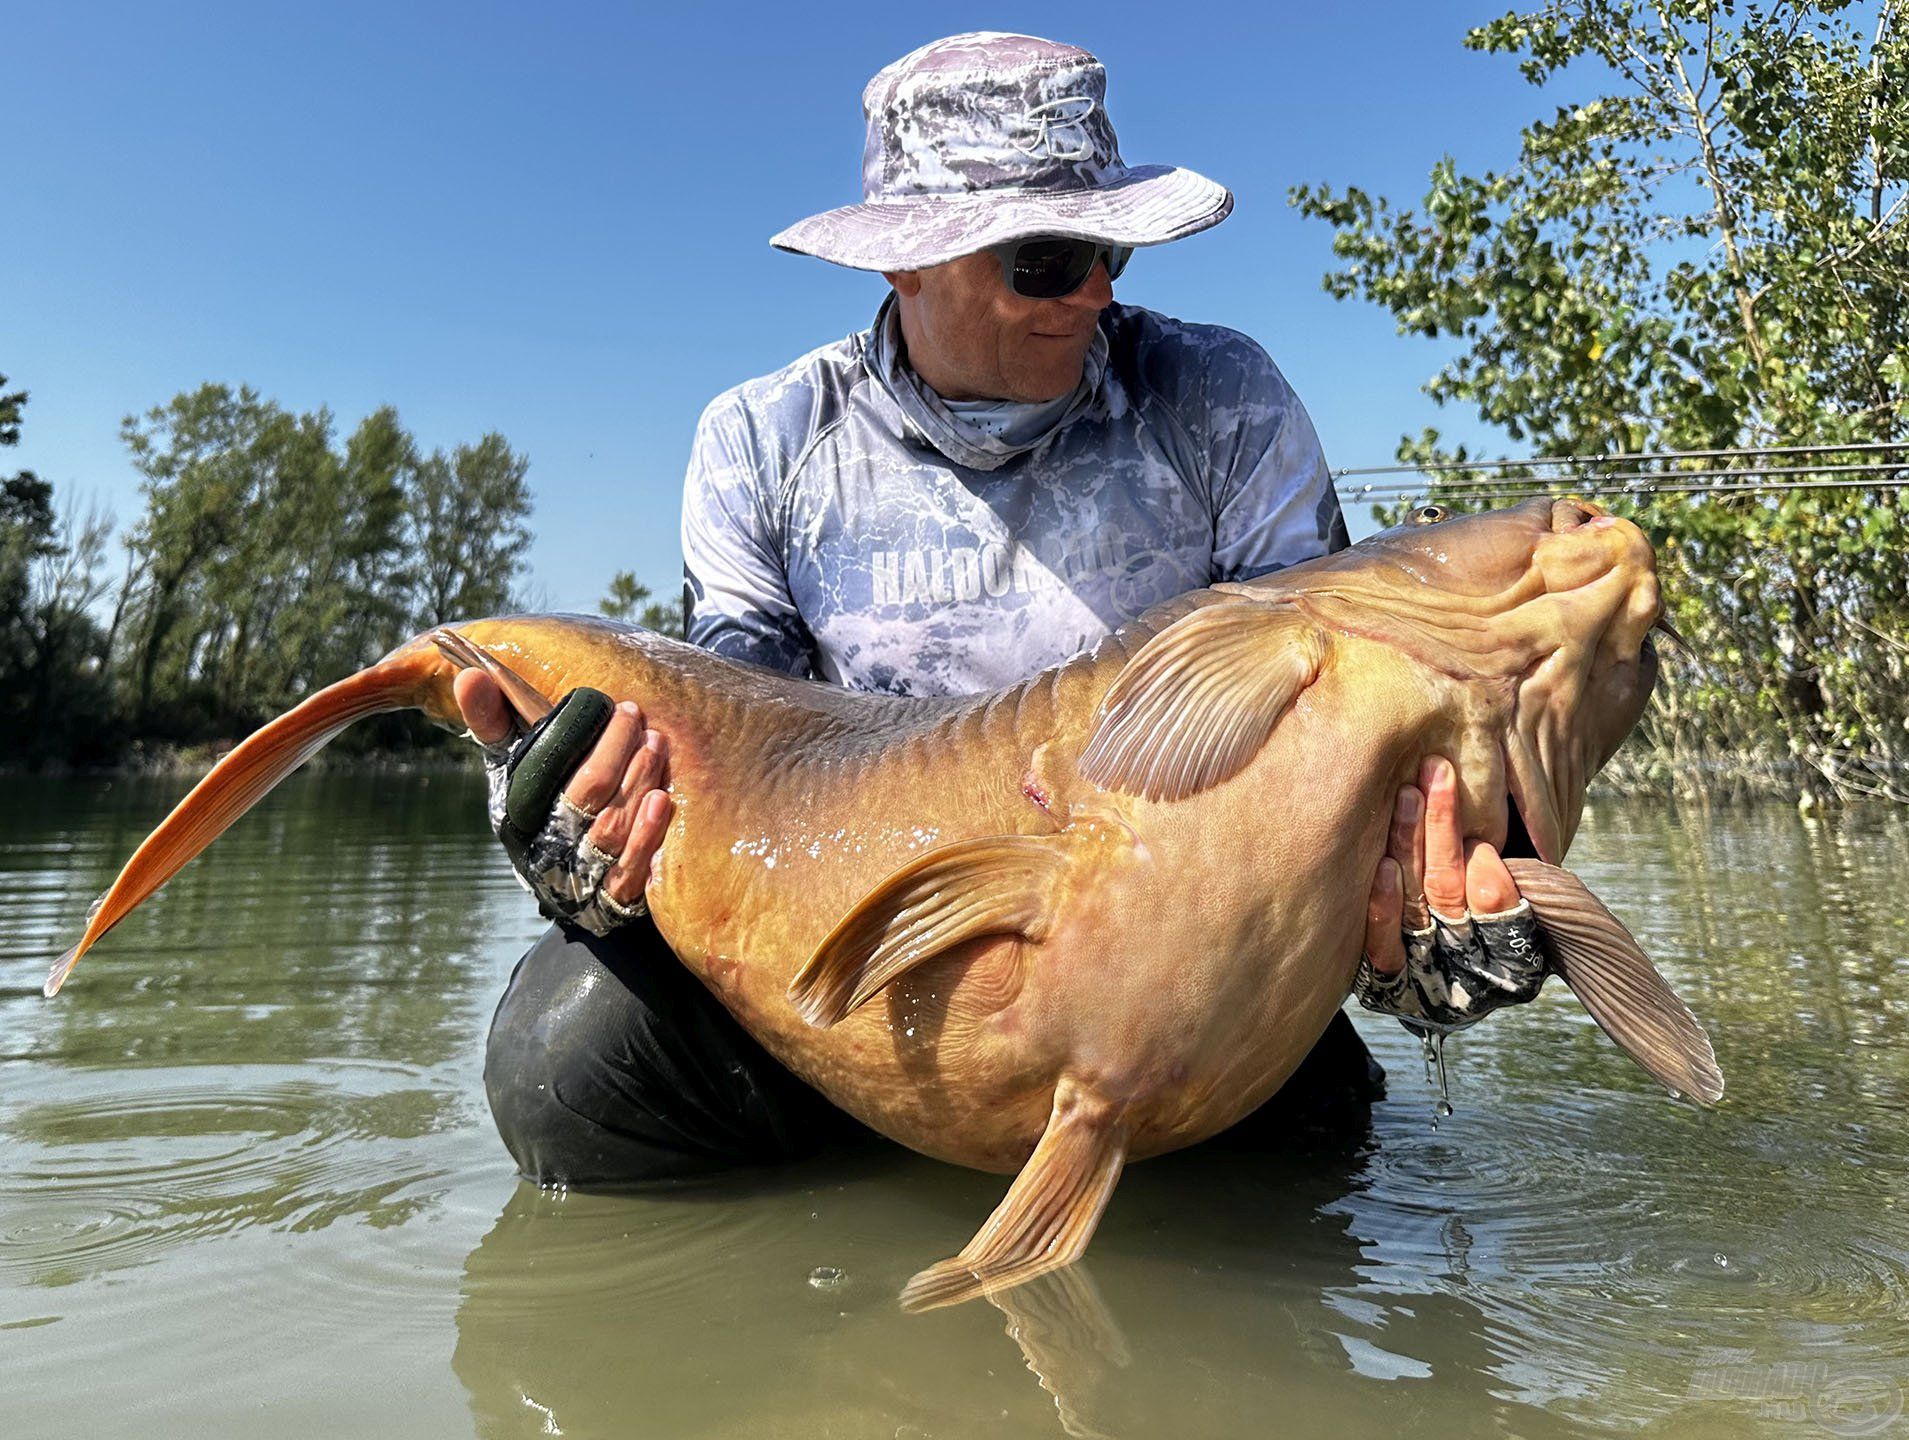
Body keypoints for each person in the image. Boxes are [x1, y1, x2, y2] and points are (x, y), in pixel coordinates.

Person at [455, 33, 1538, 1186]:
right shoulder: (762, 443)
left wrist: (1418, 929)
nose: (1097, 292)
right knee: (560, 1063)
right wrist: (584, 834)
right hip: (860, 971)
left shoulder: (1222, 402)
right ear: (905, 266)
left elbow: (1347, 734)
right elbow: (734, 757)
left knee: (1317, 1147)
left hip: (1184, 967)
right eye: (1046, 260)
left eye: (1109, 248)